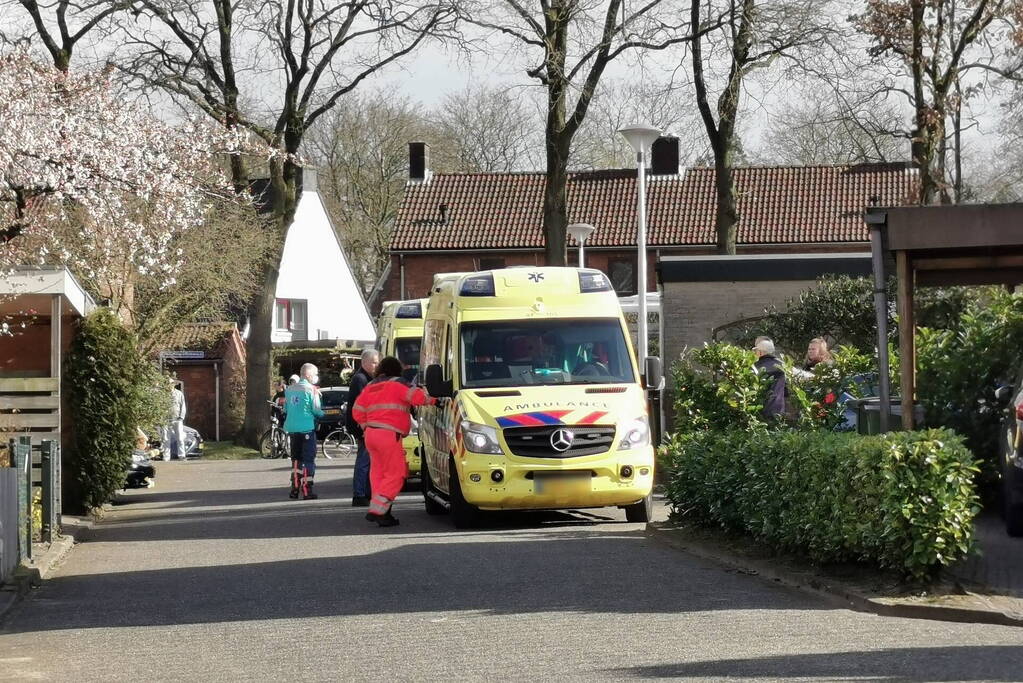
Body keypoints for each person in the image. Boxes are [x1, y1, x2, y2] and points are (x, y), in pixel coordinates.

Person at [352, 356, 436, 527]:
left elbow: (357, 410)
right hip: (389, 435)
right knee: (397, 474)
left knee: (378, 474)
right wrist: (435, 400)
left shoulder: (371, 385)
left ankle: (384, 514)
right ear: (397, 369)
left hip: (370, 435)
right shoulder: (399, 383)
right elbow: (418, 397)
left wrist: (365, 426)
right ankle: (378, 510)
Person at [284, 363, 324, 500]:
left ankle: (295, 488)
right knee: (308, 460)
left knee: (296, 459)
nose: (316, 376)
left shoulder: (289, 390)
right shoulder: (311, 390)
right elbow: (317, 410)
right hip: (307, 428)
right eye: (315, 373)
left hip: (292, 429)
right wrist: (323, 414)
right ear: (308, 375)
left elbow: (286, 410)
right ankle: (307, 490)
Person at [345, 348, 379, 507]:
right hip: (362, 426)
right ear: (364, 363)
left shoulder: (366, 378)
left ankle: (366, 492)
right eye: (374, 362)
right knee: (364, 461)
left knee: (369, 461)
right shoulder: (360, 379)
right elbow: (362, 405)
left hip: (367, 425)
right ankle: (359, 494)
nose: (376, 365)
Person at [753, 338, 786, 420]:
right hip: (779, 410)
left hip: (759, 411)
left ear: (760, 352)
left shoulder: (754, 367)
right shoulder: (783, 366)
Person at [162, 380, 187, 461]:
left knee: (180, 437)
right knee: (165, 438)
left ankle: (182, 455)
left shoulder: (179, 393)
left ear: (173, 385)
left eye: (171, 384)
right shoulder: (163, 394)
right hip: (165, 419)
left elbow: (183, 406)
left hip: (177, 419)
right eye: (167, 384)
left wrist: (181, 416)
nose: (169, 385)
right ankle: (166, 457)